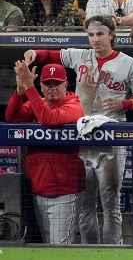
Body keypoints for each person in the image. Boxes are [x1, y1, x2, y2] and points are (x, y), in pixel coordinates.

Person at [22, 15, 133, 244]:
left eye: (100, 33)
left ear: (111, 35)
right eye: (90, 34)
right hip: (82, 136)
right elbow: (53, 54)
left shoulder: (128, 63)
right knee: (84, 201)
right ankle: (89, 251)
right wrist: (36, 53)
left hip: (111, 137)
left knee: (110, 202)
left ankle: (113, 251)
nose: (95, 39)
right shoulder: (80, 55)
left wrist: (126, 103)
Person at [5, 63, 85, 244]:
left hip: (65, 191)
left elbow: (49, 119)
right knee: (48, 245)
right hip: (39, 188)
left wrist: (29, 88)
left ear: (66, 84)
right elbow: (11, 117)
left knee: (60, 248)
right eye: (47, 84)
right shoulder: (36, 103)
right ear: (41, 86)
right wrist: (20, 91)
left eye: (56, 83)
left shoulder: (75, 105)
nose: (52, 88)